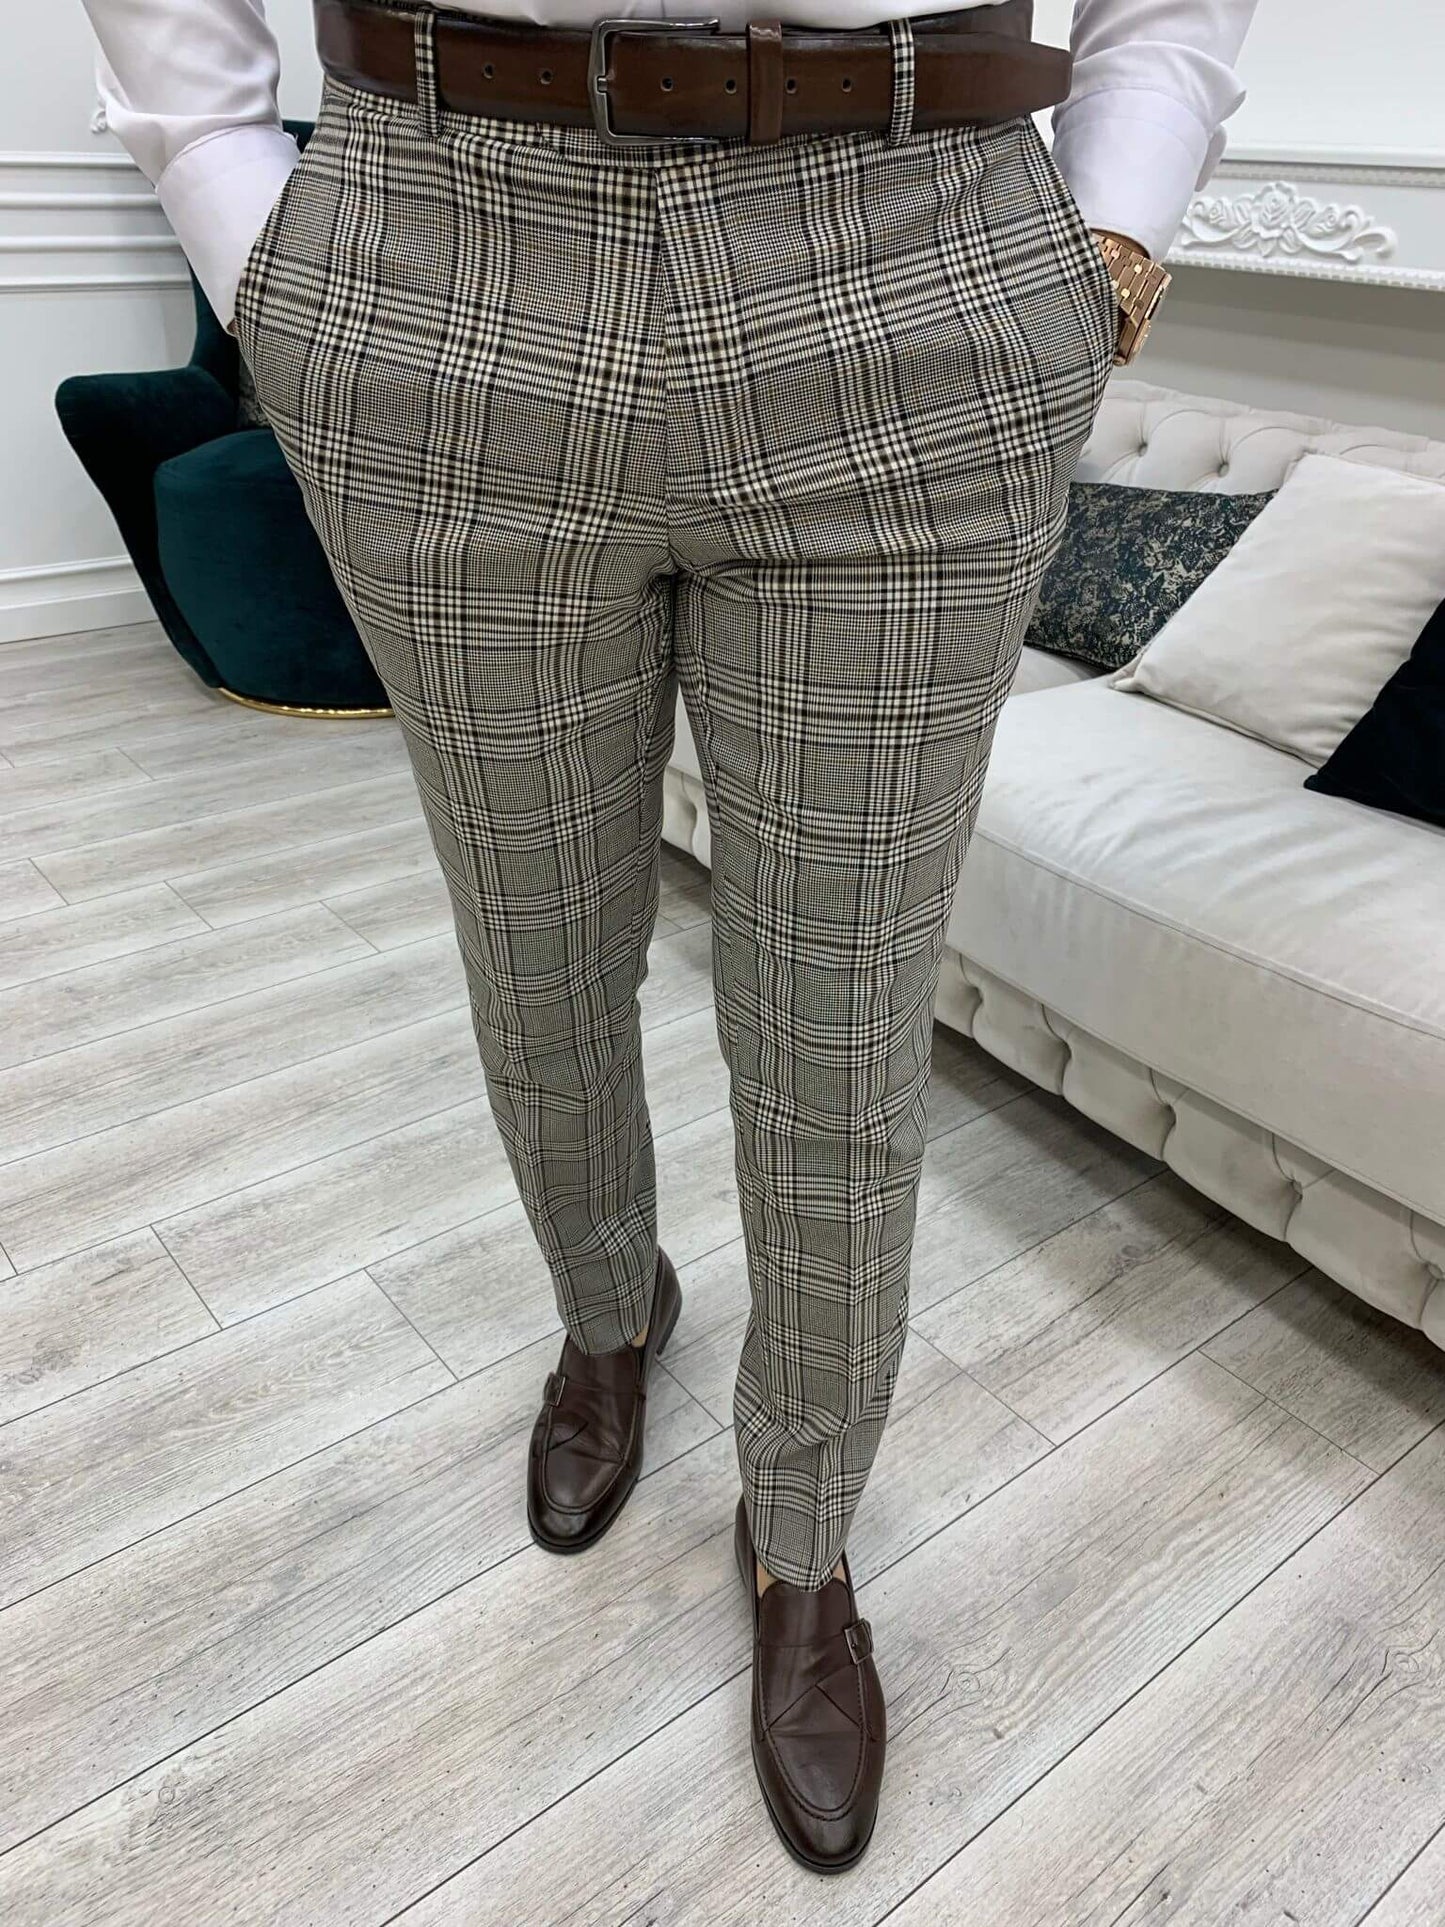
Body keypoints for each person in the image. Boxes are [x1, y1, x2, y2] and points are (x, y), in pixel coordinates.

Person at [80, 0, 1258, 1873]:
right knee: (536, 954)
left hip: (920, 251)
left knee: (838, 1024)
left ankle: (804, 1531)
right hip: (437, 244)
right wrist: (250, 233)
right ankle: (606, 1313)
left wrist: (1111, 231)